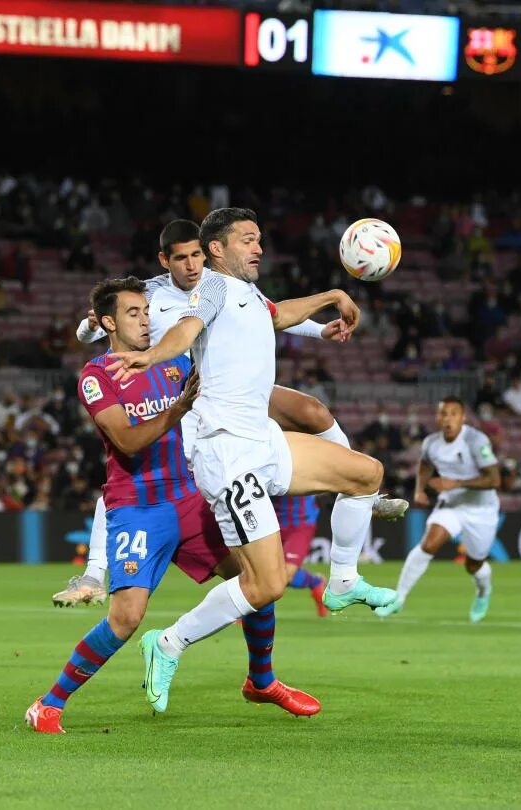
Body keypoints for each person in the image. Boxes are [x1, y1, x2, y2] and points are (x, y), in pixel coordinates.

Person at [107, 208, 406, 714]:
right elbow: (185, 329)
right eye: (248, 240)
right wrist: (150, 356)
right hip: (227, 450)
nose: (259, 248)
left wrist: (333, 296)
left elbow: (281, 313)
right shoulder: (215, 288)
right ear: (218, 250)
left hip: (261, 439)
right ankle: (168, 644)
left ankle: (343, 582)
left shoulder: (249, 296)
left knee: (365, 473)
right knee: (267, 585)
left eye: (260, 239)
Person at [25, 277, 318, 734]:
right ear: (108, 323)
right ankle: (49, 703)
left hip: (188, 498)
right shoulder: (97, 377)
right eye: (133, 314)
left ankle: (262, 680)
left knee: (258, 579)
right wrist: (179, 410)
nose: (145, 321)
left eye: (146, 311)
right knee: (126, 617)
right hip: (138, 508)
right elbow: (126, 440)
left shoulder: (174, 362)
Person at [51, 218, 391, 608]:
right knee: (140, 477)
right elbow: (96, 330)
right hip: (182, 392)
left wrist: (320, 329)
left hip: (219, 384)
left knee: (311, 409)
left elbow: (271, 314)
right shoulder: (146, 295)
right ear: (165, 261)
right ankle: (96, 572)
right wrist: (89, 326)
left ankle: (364, 489)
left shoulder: (226, 285)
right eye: (181, 258)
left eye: (196, 254)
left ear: (207, 252)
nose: (191, 265)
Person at [378, 397, 500, 622]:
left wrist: (456, 483)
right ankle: (398, 598)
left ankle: (483, 591)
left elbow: (494, 479)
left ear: (463, 418)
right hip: (451, 505)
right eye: (444, 414)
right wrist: (420, 491)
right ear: (438, 417)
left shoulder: (475, 440)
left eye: (454, 414)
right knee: (429, 543)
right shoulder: (431, 443)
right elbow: (425, 465)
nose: (448, 419)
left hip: (481, 509)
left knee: (474, 565)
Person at [275, 494, 329, 617]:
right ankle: (316, 583)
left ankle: (248, 613)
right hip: (268, 522)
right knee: (263, 572)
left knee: (285, 575)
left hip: (300, 522)